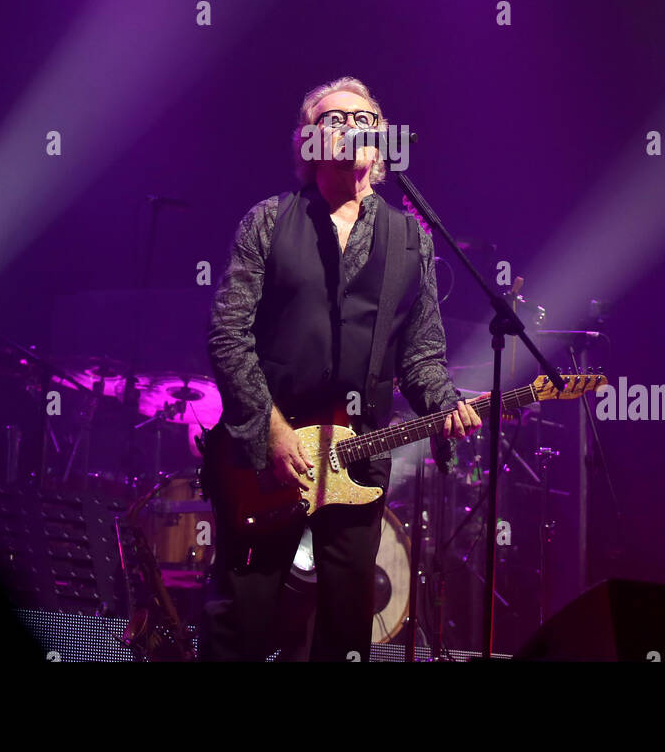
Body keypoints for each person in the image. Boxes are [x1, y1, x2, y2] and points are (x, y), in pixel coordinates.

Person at [199, 76, 481, 661]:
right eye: (333, 119)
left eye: (361, 120)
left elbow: (421, 354)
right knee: (242, 621)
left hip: (359, 455)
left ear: (378, 145)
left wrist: (443, 403)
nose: (348, 128)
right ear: (308, 143)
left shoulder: (411, 239)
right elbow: (229, 334)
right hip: (264, 456)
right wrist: (270, 429)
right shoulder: (269, 222)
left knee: (347, 628)